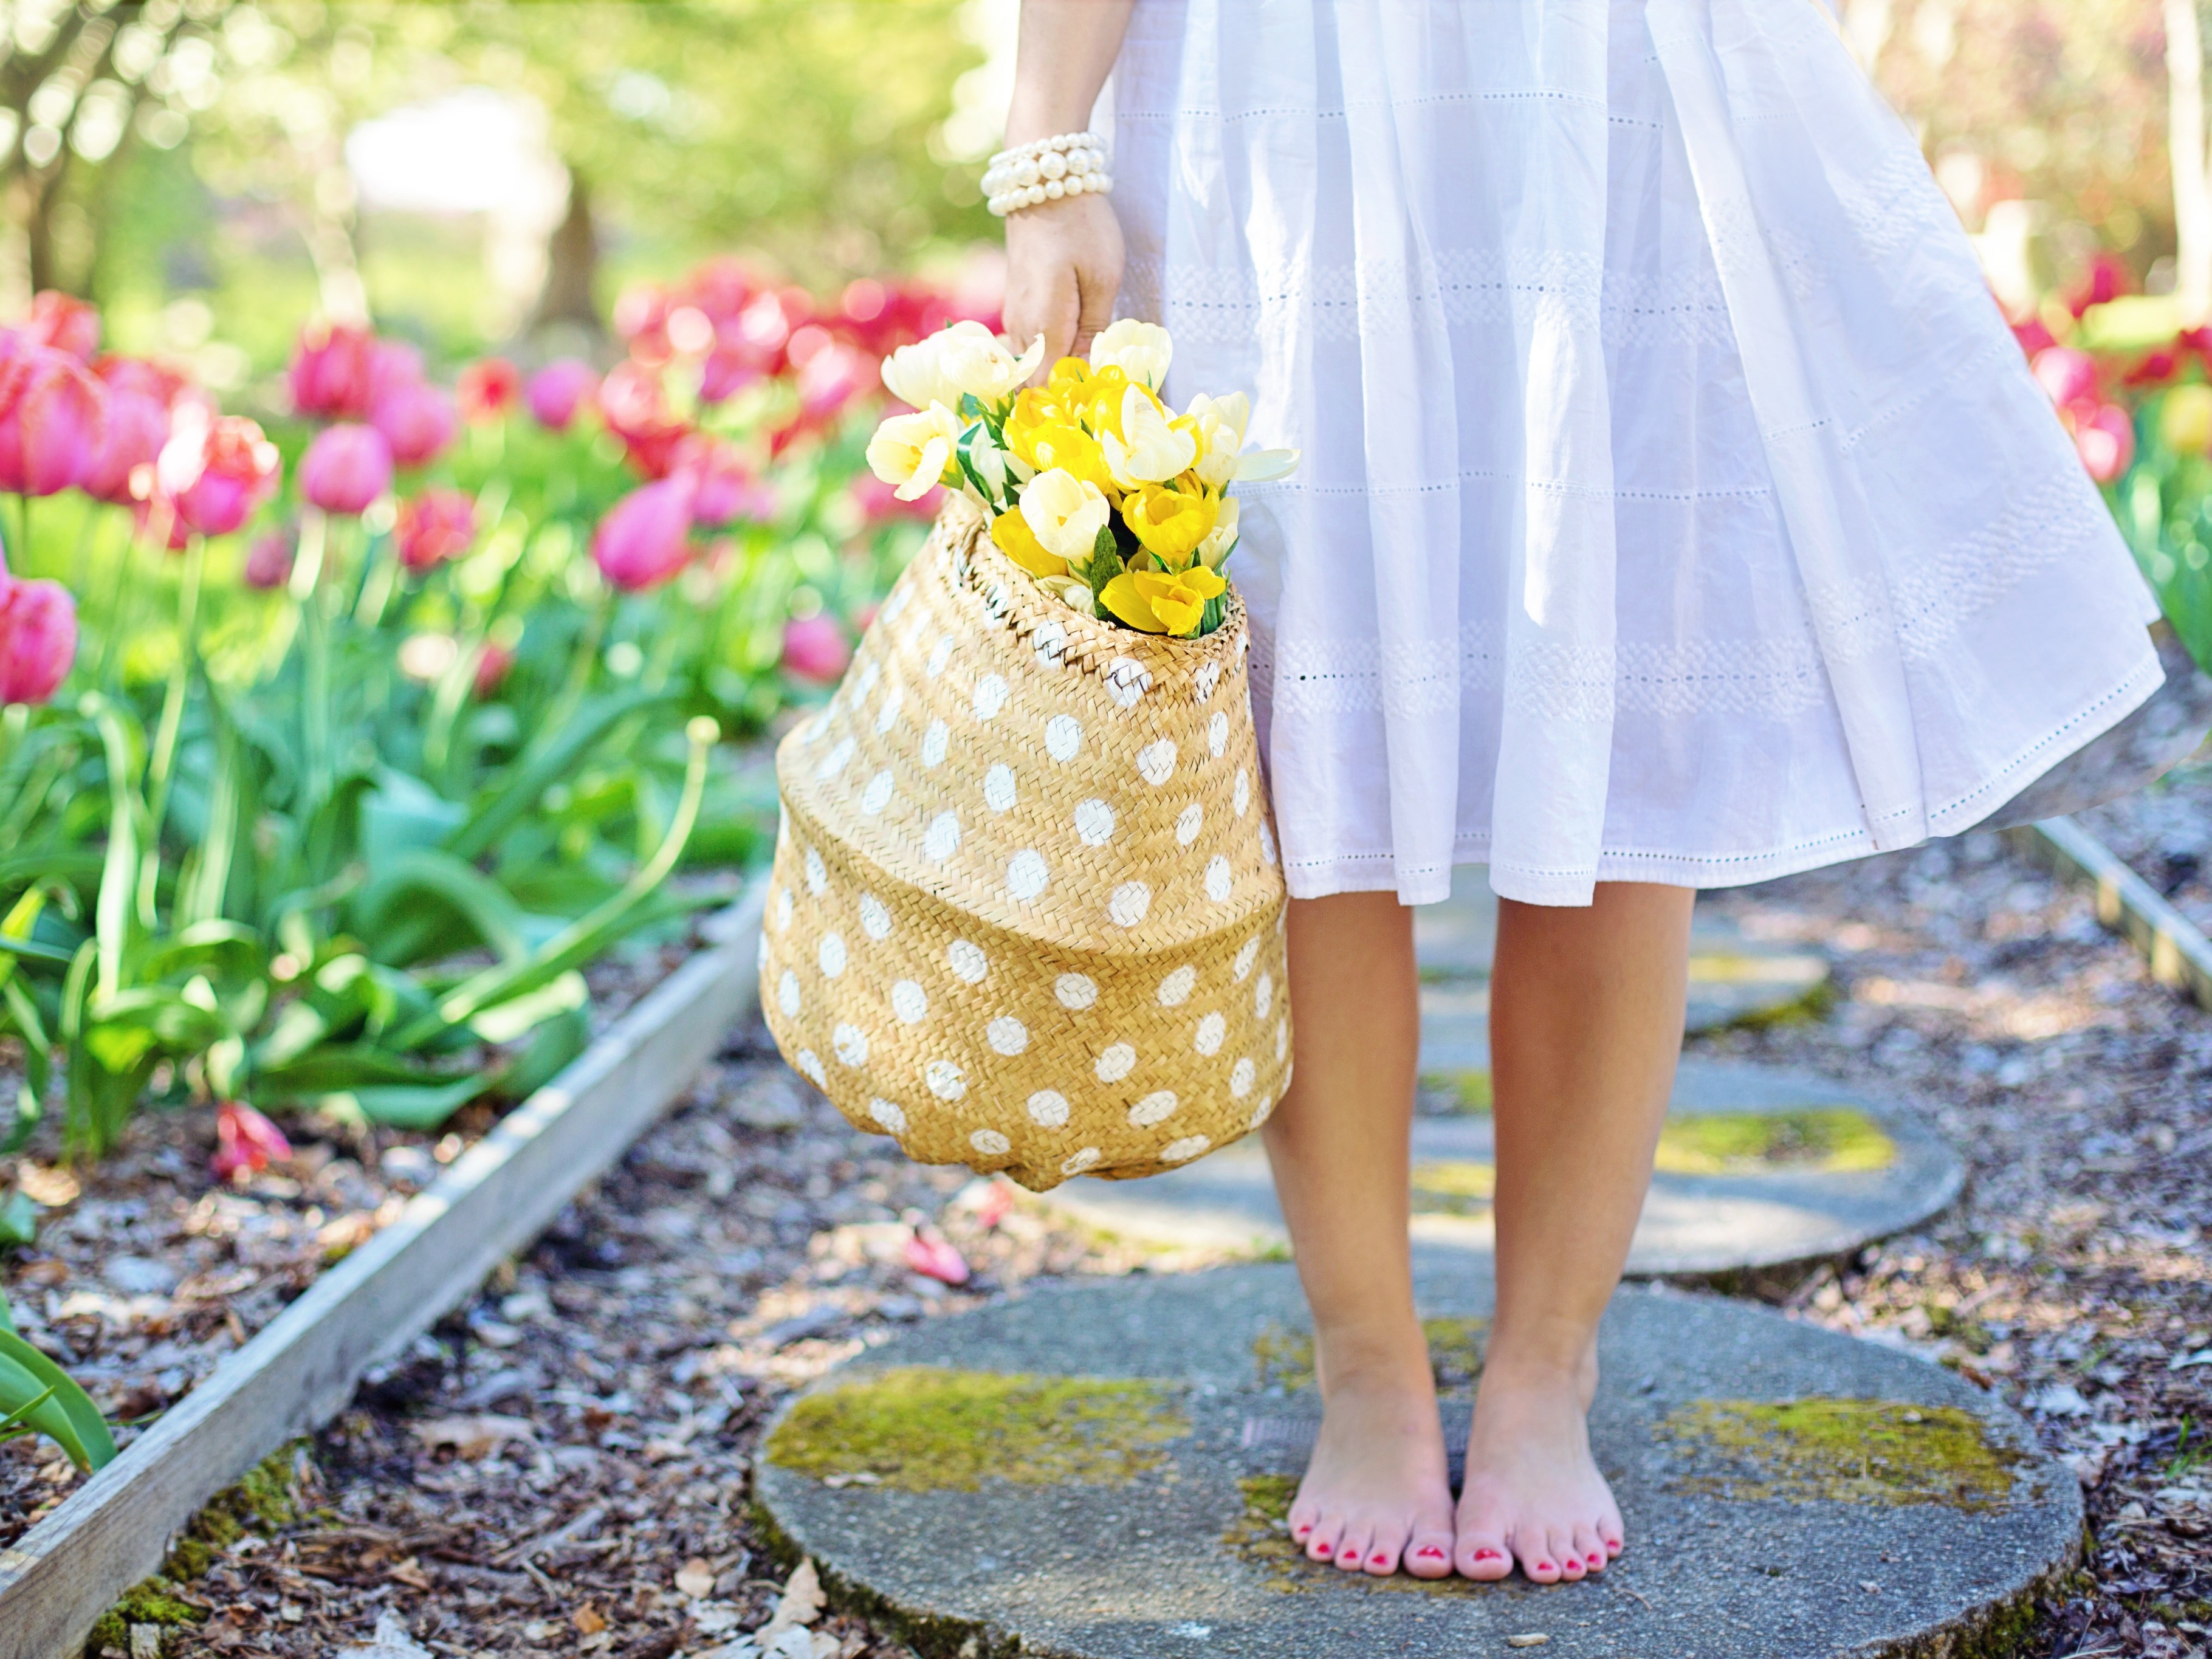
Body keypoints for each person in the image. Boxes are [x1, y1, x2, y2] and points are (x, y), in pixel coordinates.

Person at [995, 0, 2162, 1584]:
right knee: (1292, 714)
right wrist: (1045, 143)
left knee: (1613, 691)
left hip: (1600, 74)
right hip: (1279, 81)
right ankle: (1367, 1360)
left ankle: (1549, 1360)